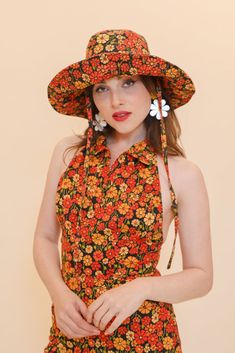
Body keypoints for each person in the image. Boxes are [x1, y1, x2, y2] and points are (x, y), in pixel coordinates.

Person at [33, 29, 213, 352]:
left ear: (152, 87)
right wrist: (58, 294)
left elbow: (201, 276)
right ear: (92, 97)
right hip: (71, 338)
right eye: (103, 88)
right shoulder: (68, 156)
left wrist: (140, 288)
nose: (115, 100)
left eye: (127, 83)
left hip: (145, 338)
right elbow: (45, 238)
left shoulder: (182, 174)